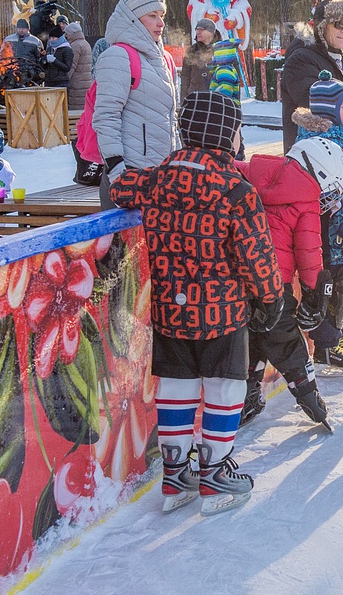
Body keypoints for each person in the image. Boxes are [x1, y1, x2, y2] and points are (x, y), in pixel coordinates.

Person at [110, 90, 284, 516]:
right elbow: (255, 253)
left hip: (170, 309)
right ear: (227, 135)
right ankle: (215, 472)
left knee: (177, 387)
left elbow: (120, 188)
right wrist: (271, 296)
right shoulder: (234, 190)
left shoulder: (154, 181)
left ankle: (175, 475)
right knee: (225, 387)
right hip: (221, 311)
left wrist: (118, 165)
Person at [236, 137, 343, 431]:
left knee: (252, 335)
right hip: (274, 284)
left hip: (233, 278)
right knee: (285, 338)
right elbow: (309, 254)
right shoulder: (307, 197)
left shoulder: (251, 170)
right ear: (321, 173)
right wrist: (315, 296)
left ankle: (245, 395)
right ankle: (309, 397)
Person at [291, 71, 343, 375]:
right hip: (329, 230)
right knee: (332, 283)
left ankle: (336, 337)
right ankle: (327, 344)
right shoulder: (320, 143)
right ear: (329, 111)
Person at [92, 0, 179, 208]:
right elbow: (106, 117)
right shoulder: (118, 56)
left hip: (160, 176)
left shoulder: (165, 59)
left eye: (162, 16)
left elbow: (170, 118)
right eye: (152, 16)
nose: (160, 23)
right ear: (132, 19)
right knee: (124, 243)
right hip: (129, 174)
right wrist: (117, 171)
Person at [280, 0, 343, 152]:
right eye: (338, 24)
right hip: (310, 154)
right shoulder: (301, 58)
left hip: (341, 151)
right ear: (321, 26)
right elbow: (322, 102)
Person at [181, 18, 219, 104]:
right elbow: (185, 77)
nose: (197, 32)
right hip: (195, 99)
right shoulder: (192, 50)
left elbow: (234, 77)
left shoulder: (223, 49)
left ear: (211, 32)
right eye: (197, 29)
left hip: (218, 100)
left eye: (201, 30)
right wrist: (183, 101)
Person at [64, 21, 92, 110]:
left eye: (67, 34)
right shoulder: (86, 43)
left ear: (73, 34)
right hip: (86, 82)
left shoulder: (75, 46)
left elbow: (72, 65)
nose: (66, 36)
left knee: (75, 110)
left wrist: (65, 79)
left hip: (76, 84)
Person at [43, 19, 74, 89]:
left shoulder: (67, 49)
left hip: (61, 83)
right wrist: (43, 59)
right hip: (49, 82)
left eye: (53, 38)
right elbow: (45, 67)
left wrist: (55, 60)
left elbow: (67, 67)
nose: (51, 40)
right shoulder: (50, 48)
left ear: (59, 38)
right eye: (50, 38)